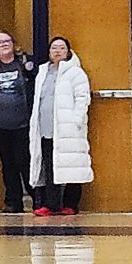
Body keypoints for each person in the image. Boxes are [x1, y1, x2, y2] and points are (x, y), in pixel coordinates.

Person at [30, 36, 92, 216]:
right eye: (54, 48)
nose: (57, 51)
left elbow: (82, 98)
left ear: (68, 51)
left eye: (62, 48)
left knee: (72, 164)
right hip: (47, 128)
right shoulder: (43, 72)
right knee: (50, 166)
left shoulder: (75, 73)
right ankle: (52, 204)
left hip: (68, 128)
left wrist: (76, 119)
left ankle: (71, 204)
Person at [0, 31, 36, 213]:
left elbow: (32, 84)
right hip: (0, 123)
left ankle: (37, 197)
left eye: (7, 41)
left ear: (13, 44)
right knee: (8, 163)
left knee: (24, 161)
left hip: (22, 122)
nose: (3, 45)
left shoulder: (23, 63)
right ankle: (13, 201)